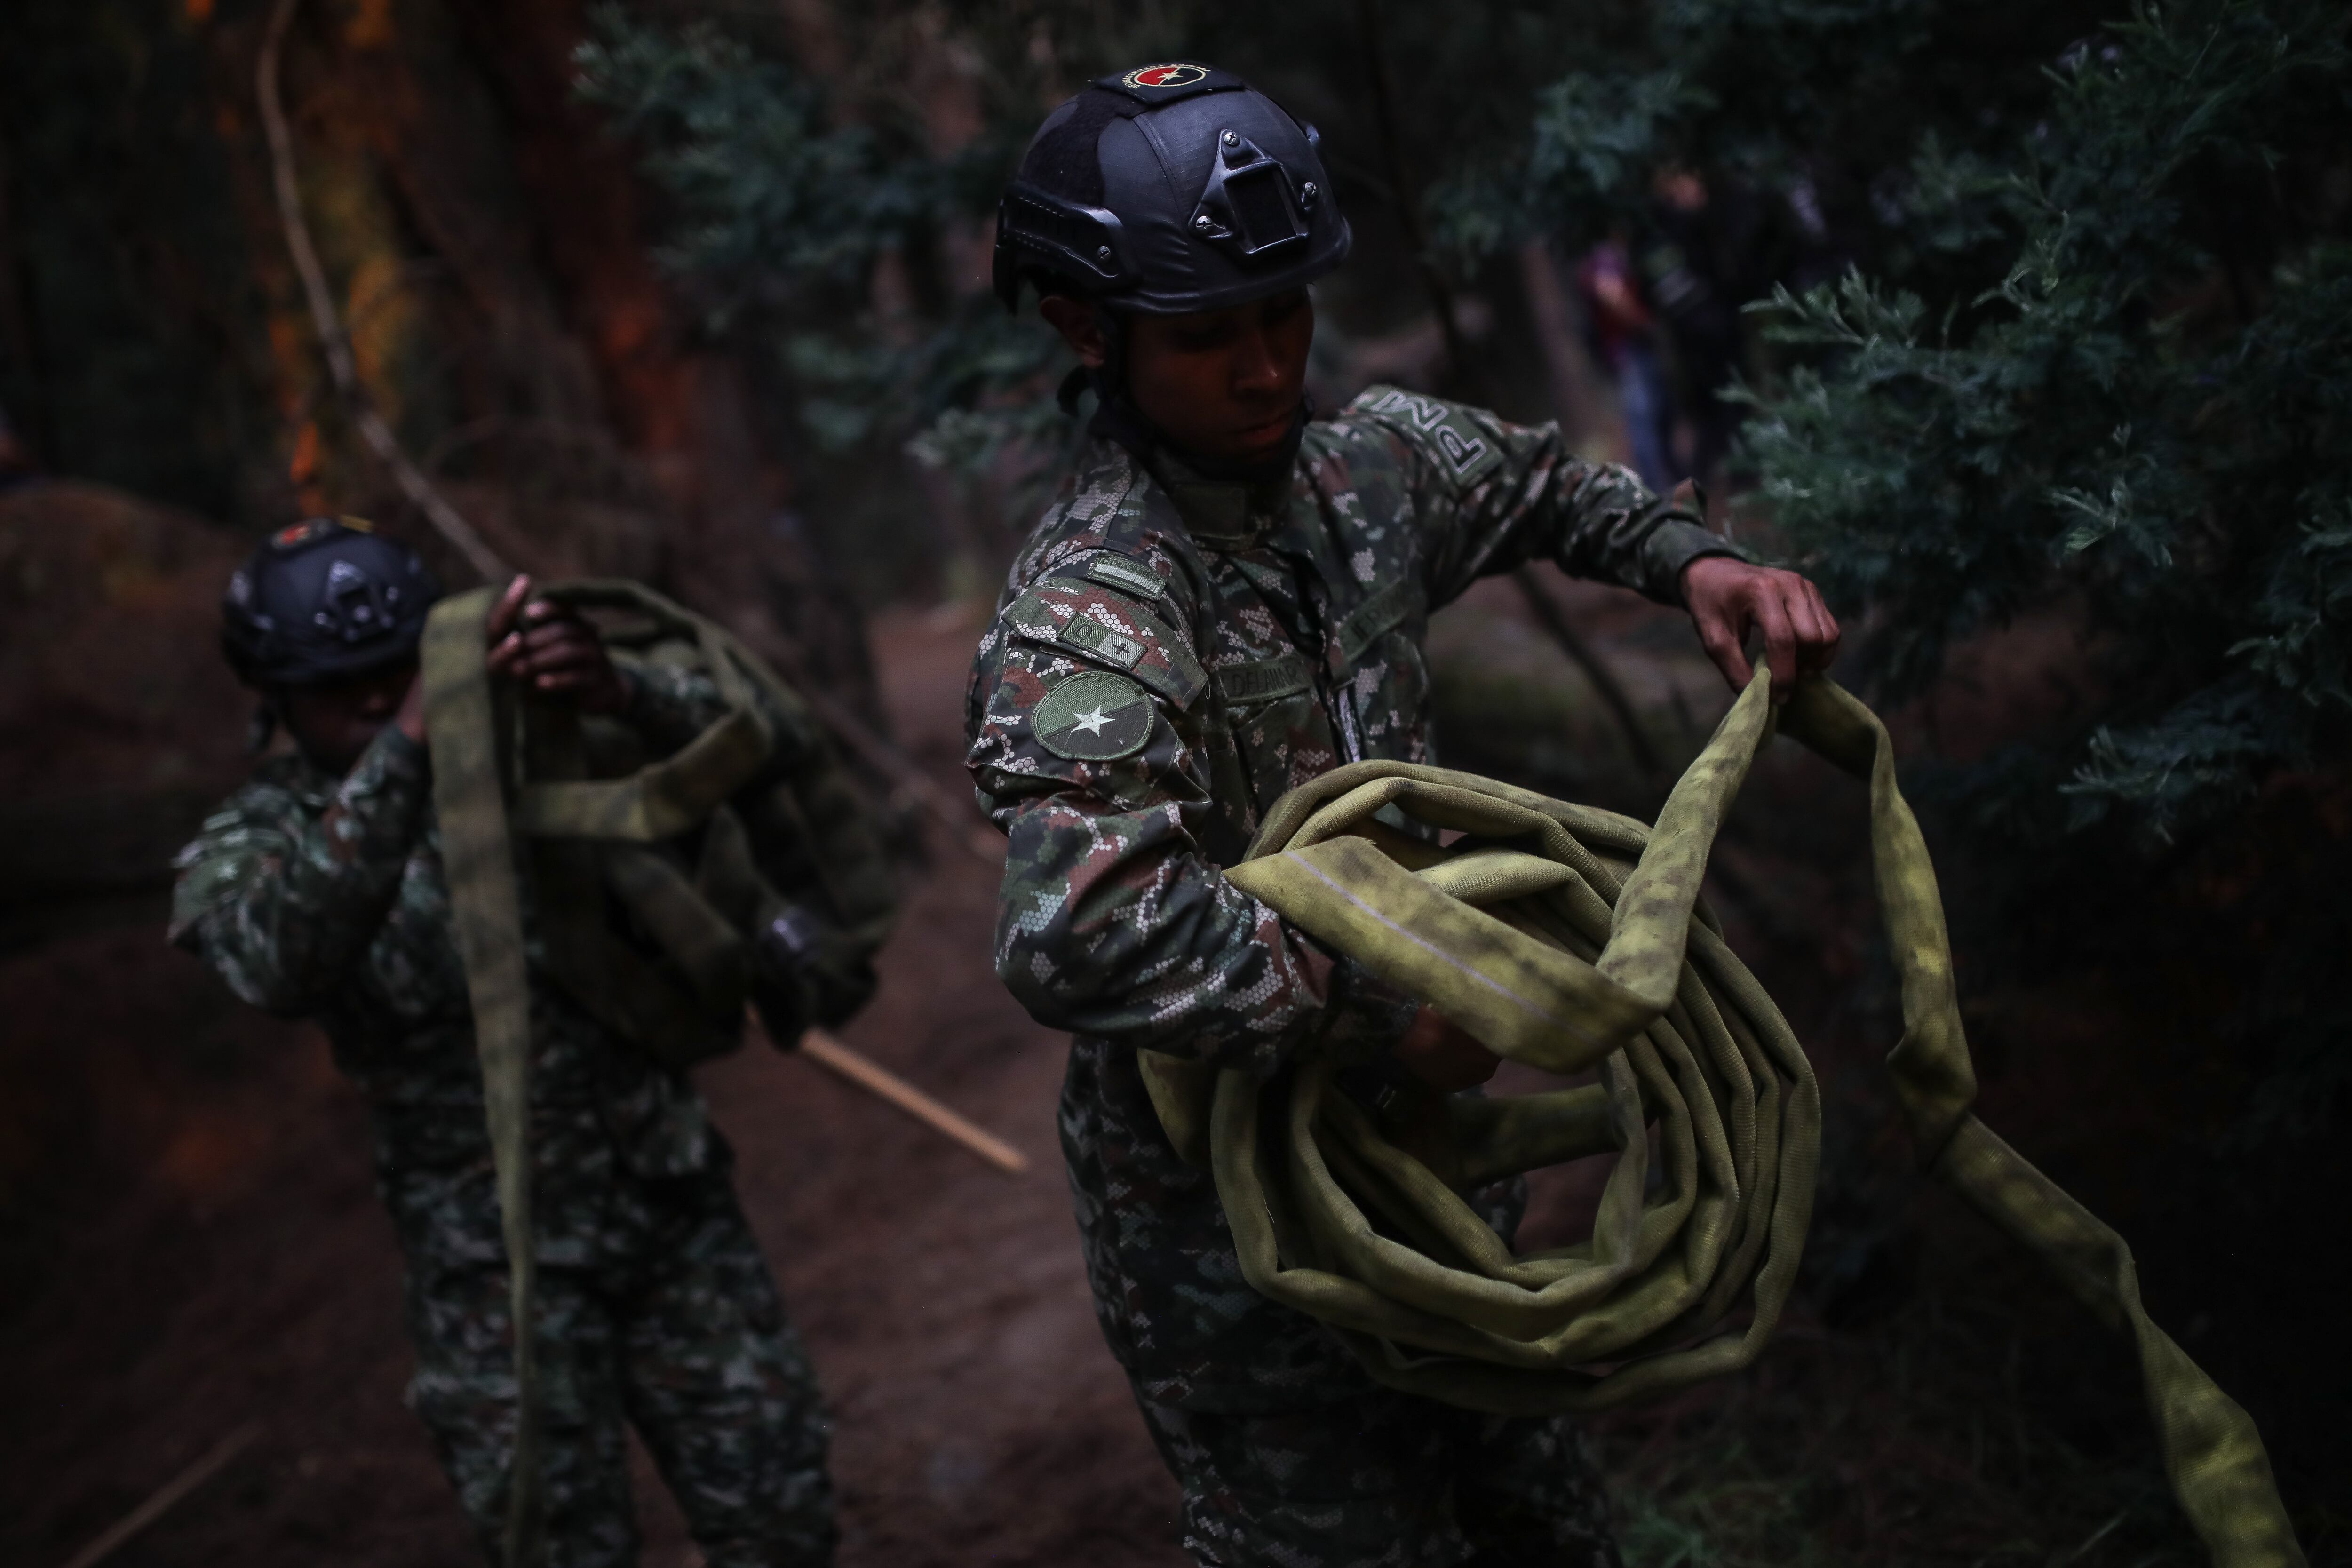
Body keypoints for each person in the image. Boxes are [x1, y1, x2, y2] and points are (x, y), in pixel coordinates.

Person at [965, 63, 1841, 1568]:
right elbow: (1078, 926)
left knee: (1546, 1519)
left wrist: (1694, 561)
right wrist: (1381, 1005)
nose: (1261, 367)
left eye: (1284, 313)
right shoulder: (1095, 609)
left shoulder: (1360, 473)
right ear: (1082, 328)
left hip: (1434, 1170)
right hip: (1238, 1252)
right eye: (1206, 335)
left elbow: (1540, 484)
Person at [170, 518, 838, 1568]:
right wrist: (408, 748)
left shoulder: (543, 739)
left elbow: (770, 745)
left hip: (668, 1204)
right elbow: (276, 959)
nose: (375, 697)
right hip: (497, 1265)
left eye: (397, 671)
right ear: (274, 693)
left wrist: (615, 687)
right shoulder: (262, 834)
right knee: (558, 1542)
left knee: (783, 1510)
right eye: (339, 683)